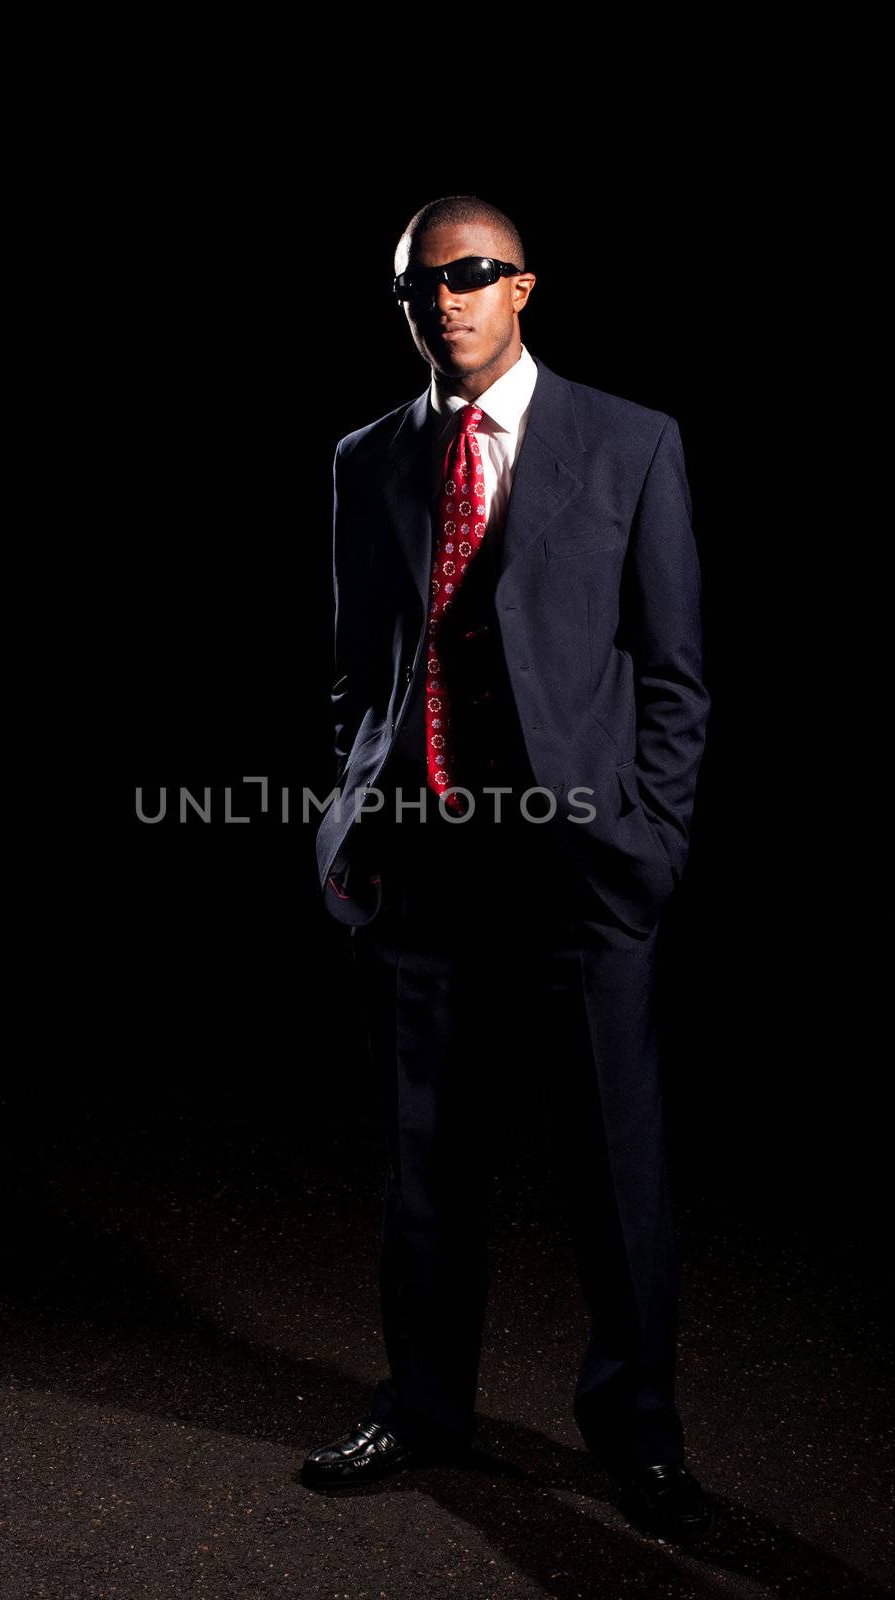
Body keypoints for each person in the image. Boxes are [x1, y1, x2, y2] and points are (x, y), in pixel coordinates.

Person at [302, 195, 713, 1542]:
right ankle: (426, 1407)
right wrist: (354, 807)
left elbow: (673, 672)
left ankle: (637, 1433)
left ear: (522, 285)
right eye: (424, 283)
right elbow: (361, 662)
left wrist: (646, 839)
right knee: (426, 1165)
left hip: (584, 866)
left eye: (474, 274)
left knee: (618, 1166)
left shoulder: (631, 442)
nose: (449, 299)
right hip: (427, 861)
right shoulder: (372, 458)